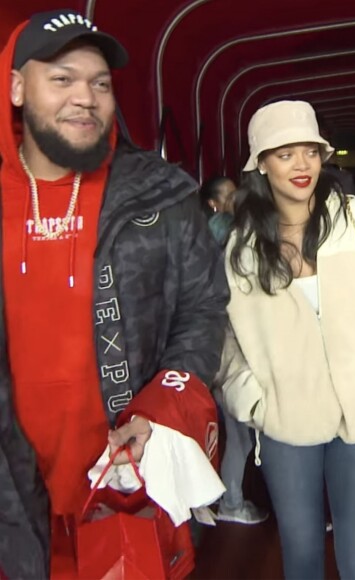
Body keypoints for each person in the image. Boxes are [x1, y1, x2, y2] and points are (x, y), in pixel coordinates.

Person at [0, 10, 229, 577]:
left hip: (126, 485)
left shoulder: (161, 194)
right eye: (62, 79)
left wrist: (160, 412)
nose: (86, 97)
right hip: (12, 498)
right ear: (17, 88)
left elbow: (203, 310)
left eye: (100, 83)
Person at [216, 99, 355, 579]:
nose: (301, 165)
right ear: (261, 164)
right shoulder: (243, 248)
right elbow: (224, 338)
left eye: (310, 152)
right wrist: (254, 402)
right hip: (285, 425)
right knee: (301, 558)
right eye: (284, 153)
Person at [199, 176, 268, 524]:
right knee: (242, 432)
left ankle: (226, 500)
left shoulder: (212, 239)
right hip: (234, 350)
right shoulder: (235, 244)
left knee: (234, 430)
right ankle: (231, 502)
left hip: (215, 347)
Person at [199, 175, 236, 245]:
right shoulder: (219, 225)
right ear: (212, 203)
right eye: (230, 197)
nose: (235, 199)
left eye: (236, 194)